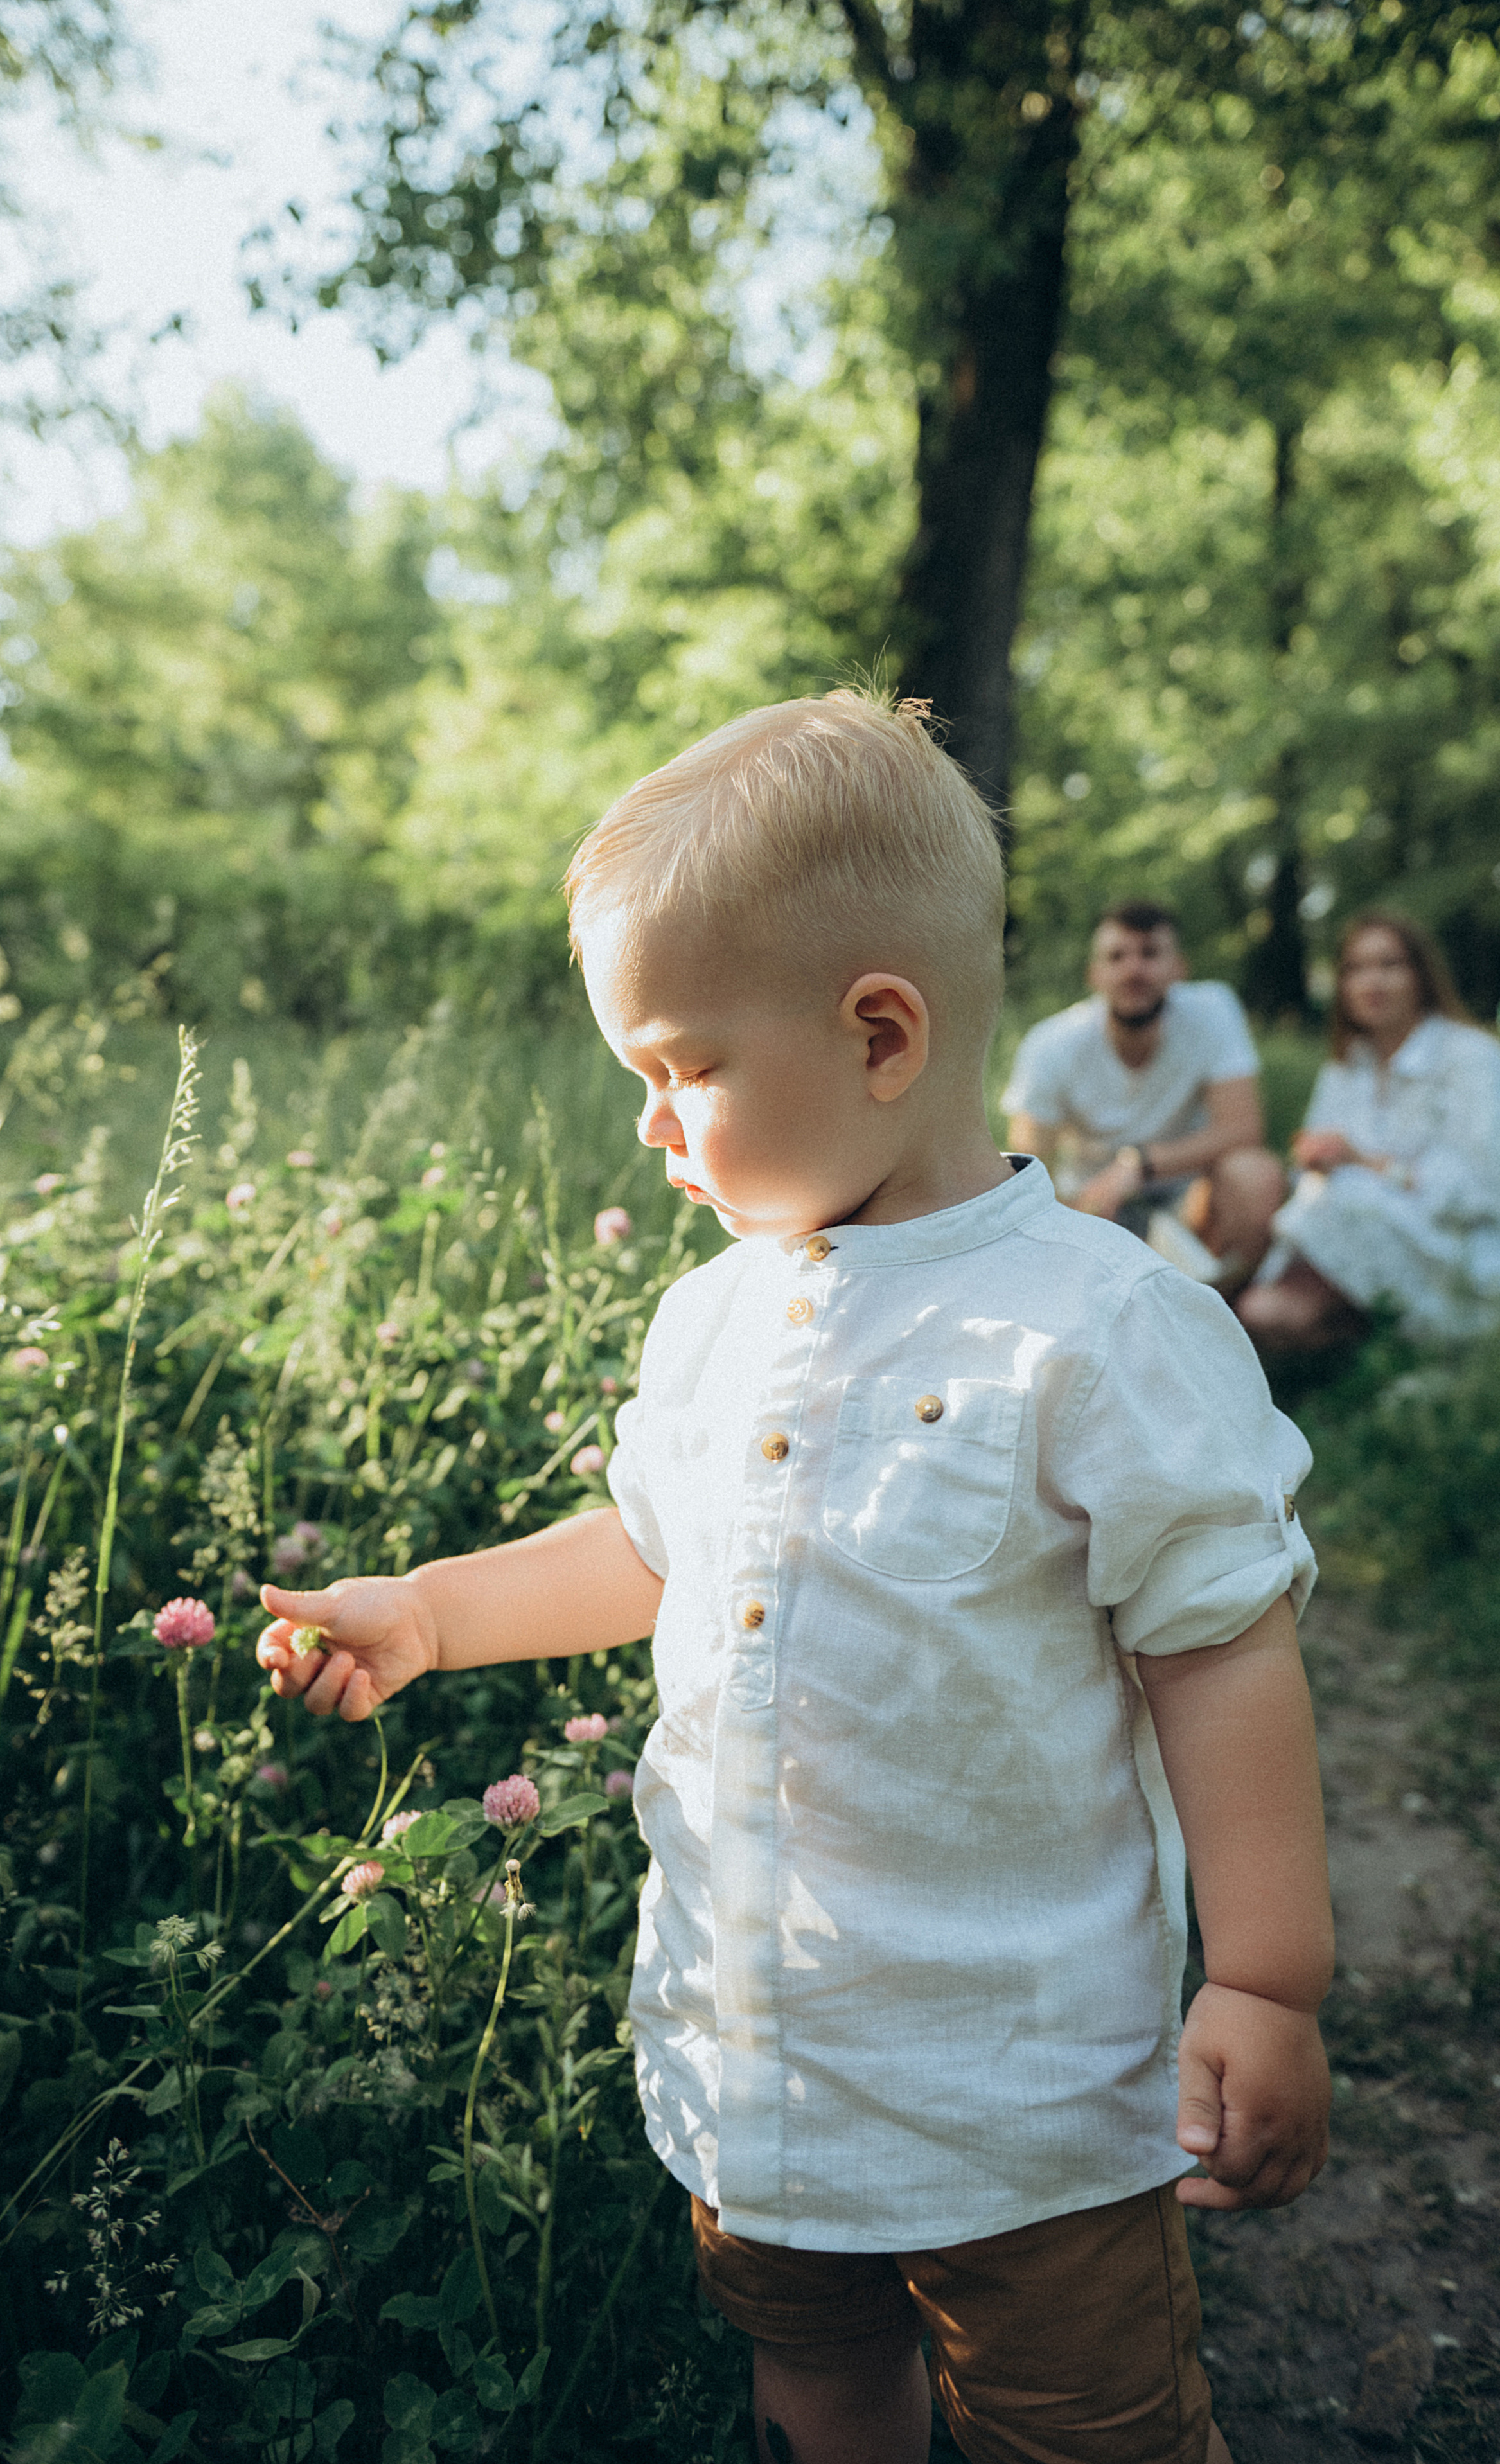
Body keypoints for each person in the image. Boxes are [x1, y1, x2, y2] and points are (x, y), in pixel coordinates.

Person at [256, 693, 1332, 2464]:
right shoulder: (714, 1313)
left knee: (1089, 2428)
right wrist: (438, 1609)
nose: (652, 1126)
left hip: (1026, 2101)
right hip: (756, 2060)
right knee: (816, 2381)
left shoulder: (1097, 1328)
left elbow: (1222, 1650)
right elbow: (655, 1546)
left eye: (681, 1066)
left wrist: (1269, 1977)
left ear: (882, 1036)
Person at [1237, 910, 1500, 1351]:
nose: (1371, 982)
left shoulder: (1469, 1057)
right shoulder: (1347, 1066)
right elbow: (1315, 1174)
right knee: (1264, 1311)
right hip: (1349, 1230)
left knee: (1272, 1308)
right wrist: (1317, 1161)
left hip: (1451, 1246)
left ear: (1421, 975)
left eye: (1389, 965)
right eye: (1355, 969)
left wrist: (1364, 1163)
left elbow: (1480, 1187)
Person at [1002, 903, 1285, 1285]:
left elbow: (1243, 1129)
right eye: (1117, 957)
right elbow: (1029, 1168)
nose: (1134, 970)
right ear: (1094, 975)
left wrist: (1137, 1166)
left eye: (1150, 954)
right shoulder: (1052, 1044)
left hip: (1190, 1200)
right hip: (1091, 1206)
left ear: (1179, 969)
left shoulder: (1212, 1010)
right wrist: (1073, 1216)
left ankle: (1231, 1306)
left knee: (1257, 1174)